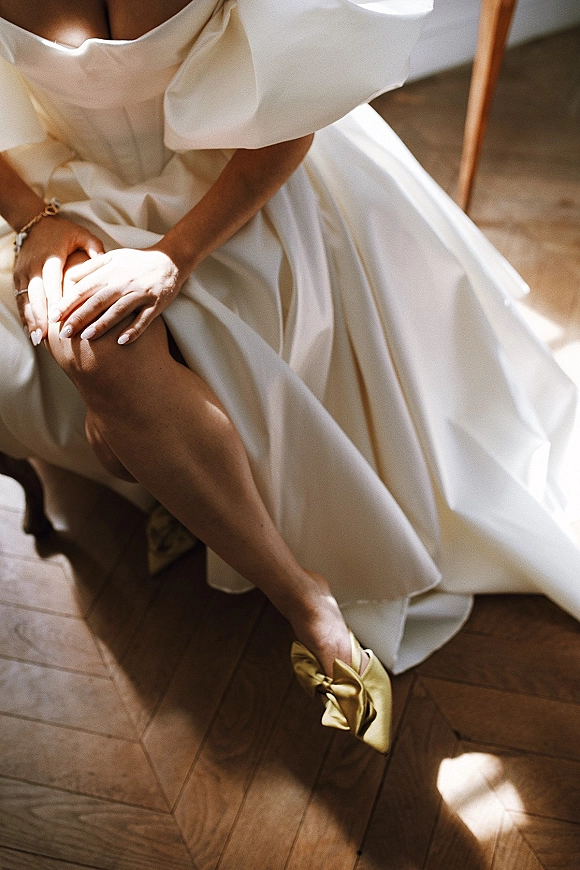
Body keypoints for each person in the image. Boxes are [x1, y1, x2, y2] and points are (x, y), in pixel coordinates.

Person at [0, 0, 579, 754]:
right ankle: (295, 588)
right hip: (66, 192)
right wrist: (35, 220)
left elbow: (294, 106)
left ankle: (282, 584)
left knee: (105, 361)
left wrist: (172, 258)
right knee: (88, 343)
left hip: (236, 181)